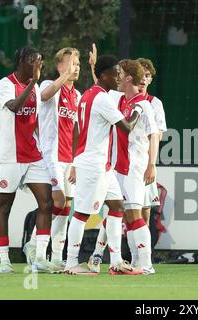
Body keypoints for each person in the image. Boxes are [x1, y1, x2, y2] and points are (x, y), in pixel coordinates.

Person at [64, 55, 143, 275]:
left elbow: (78, 131)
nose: (119, 77)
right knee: (81, 214)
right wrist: (138, 110)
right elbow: (126, 127)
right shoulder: (103, 99)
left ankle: (116, 261)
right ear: (105, 75)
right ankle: (71, 263)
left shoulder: (89, 95)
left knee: (117, 207)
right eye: (116, 73)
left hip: (101, 165)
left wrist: (75, 160)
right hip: (94, 165)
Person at [0, 47, 56, 273]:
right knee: (4, 207)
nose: (36, 65)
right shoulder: (5, 84)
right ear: (20, 61)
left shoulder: (37, 87)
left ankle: (39, 258)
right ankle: (4, 261)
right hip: (8, 156)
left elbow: (35, 121)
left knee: (47, 203)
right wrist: (32, 84)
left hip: (33, 155)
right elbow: (13, 106)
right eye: (32, 61)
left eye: (39, 62)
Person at [23, 47, 81, 271]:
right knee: (55, 201)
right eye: (71, 63)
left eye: (77, 64)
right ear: (59, 66)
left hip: (68, 158)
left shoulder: (76, 95)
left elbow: (76, 131)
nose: (75, 68)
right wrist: (63, 76)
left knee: (66, 207)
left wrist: (76, 161)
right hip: (51, 155)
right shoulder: (48, 86)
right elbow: (44, 97)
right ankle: (36, 248)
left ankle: (56, 256)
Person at [114, 59, 160, 275]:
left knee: (135, 214)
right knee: (128, 216)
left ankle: (147, 264)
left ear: (128, 77)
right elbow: (99, 86)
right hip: (121, 167)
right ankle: (137, 262)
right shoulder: (122, 100)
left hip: (136, 167)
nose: (117, 77)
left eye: (120, 74)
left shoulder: (144, 104)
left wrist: (152, 165)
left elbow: (154, 135)